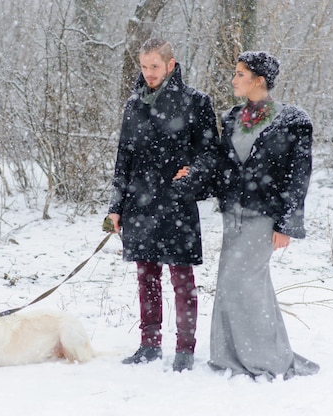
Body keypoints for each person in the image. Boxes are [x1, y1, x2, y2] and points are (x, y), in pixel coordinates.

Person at [174, 51, 319, 380]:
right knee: (236, 284)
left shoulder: (293, 120)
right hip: (233, 215)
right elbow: (223, 167)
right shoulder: (232, 117)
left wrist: (286, 224)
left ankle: (264, 361)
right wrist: (193, 176)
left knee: (242, 283)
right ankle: (231, 357)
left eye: (240, 74)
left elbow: (299, 176)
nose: (234, 79)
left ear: (259, 80)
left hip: (264, 217)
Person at [107, 38, 219, 372]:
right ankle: (149, 344)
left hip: (175, 201)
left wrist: (192, 175)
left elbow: (211, 153)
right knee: (146, 277)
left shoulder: (195, 102)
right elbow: (123, 157)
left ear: (171, 64)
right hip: (139, 203)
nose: (148, 73)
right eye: (143, 66)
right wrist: (116, 206)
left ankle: (185, 348)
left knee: (182, 279)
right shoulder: (134, 103)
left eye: (154, 66)